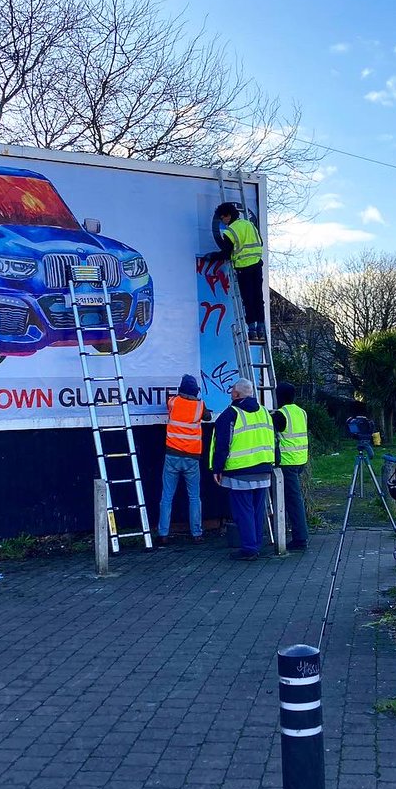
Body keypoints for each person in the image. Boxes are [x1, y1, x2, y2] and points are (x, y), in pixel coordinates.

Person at [209, 378, 276, 561]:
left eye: (232, 391)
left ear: (236, 394)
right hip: (263, 468)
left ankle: (249, 548)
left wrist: (217, 468)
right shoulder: (264, 412)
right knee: (256, 510)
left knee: (243, 512)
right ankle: (255, 545)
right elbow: (272, 438)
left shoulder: (230, 414)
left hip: (241, 471)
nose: (230, 393)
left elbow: (222, 444)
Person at [157, 374, 211, 547]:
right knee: (194, 497)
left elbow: (170, 401)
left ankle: (163, 534)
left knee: (167, 496)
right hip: (192, 458)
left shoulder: (173, 402)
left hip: (172, 455)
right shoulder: (200, 406)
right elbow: (208, 417)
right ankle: (196, 534)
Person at [214, 202, 266, 342]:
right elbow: (260, 243)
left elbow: (226, 254)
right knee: (258, 298)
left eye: (222, 218)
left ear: (228, 216)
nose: (222, 221)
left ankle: (252, 330)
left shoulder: (230, 232)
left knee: (248, 300)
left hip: (244, 269)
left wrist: (212, 256)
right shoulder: (250, 225)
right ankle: (261, 327)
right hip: (257, 265)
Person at [272, 382, 309, 551]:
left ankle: (300, 539)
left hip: (287, 463)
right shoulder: (301, 412)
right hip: (301, 460)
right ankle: (297, 534)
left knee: (294, 502)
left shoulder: (280, 415)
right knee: (293, 500)